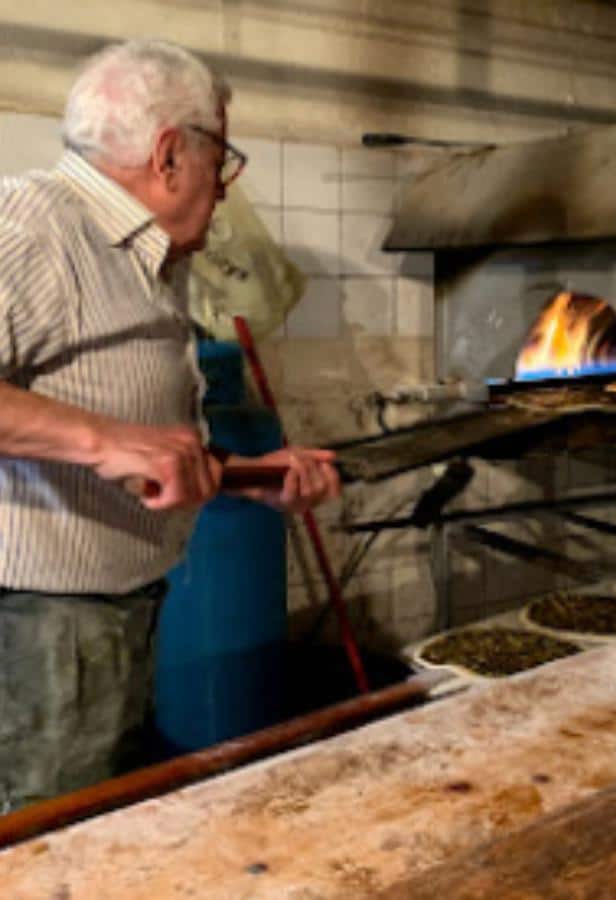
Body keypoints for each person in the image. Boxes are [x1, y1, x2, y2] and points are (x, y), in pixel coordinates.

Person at [0, 39, 341, 812]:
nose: (224, 188)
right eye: (222, 156)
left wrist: (251, 476)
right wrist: (103, 440)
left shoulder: (142, 256)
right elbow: (109, 438)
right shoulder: (33, 227)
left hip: (110, 616)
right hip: (39, 626)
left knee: (102, 829)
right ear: (168, 155)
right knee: (54, 851)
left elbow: (128, 424)